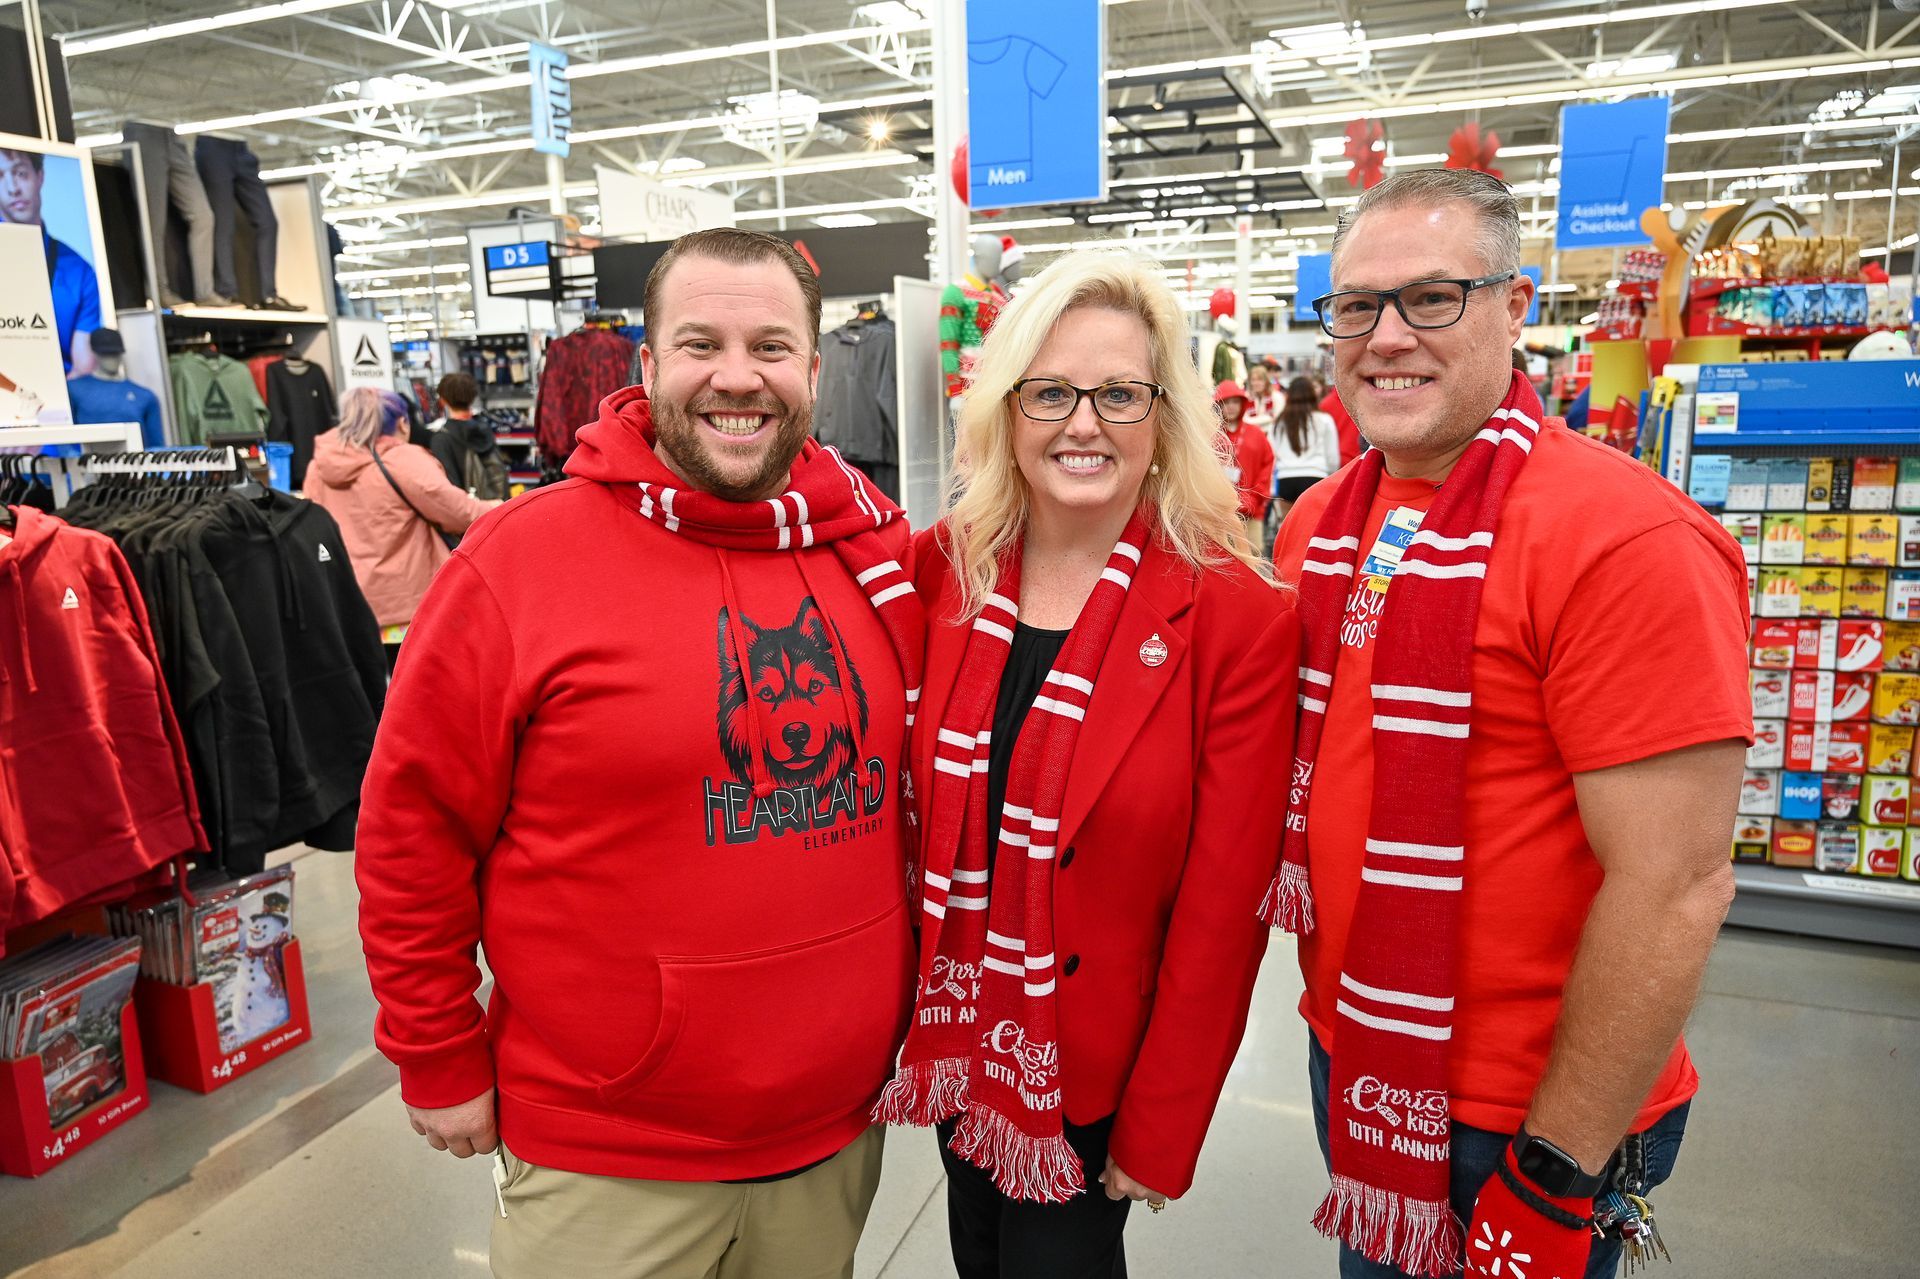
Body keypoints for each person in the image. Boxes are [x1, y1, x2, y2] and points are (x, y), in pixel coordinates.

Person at [355, 227, 924, 1279]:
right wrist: (434, 1050)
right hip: (606, 1151)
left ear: (814, 366)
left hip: (832, 1135)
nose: (738, 378)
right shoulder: (523, 560)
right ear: (650, 366)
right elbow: (413, 826)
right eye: (702, 344)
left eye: (771, 346)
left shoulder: (877, 553)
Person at [1267, 168, 1750, 1279]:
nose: (1386, 337)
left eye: (1432, 297)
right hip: (1361, 1052)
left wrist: (1559, 1166)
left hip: (1520, 1111)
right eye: (1355, 307)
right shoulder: (1324, 530)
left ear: (1515, 304)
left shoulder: (1627, 543)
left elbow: (1676, 884)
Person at [875, 250, 1299, 1279]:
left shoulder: (1235, 617)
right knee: (978, 1255)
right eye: (1052, 391)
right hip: (958, 1034)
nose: (1083, 423)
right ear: (1005, 412)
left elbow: (1223, 903)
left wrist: (1165, 1121)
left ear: (1162, 418)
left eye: (1119, 394)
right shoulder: (939, 572)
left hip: (1096, 1074)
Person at [302, 388, 498, 662]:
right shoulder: (404, 460)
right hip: (406, 606)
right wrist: (496, 507)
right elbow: (459, 513)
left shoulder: (319, 467)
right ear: (403, 423)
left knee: (372, 694)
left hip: (349, 605)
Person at [1, 147, 101, 376]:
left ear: (40, 176)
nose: (12, 189)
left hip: (58, 397)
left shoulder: (79, 270)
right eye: (0, 177)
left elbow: (83, 363)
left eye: (20, 174)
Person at [423, 372, 510, 505]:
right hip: (497, 506)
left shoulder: (441, 439)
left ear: (443, 400)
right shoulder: (484, 428)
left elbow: (450, 490)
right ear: (473, 397)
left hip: (468, 516)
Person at [1269, 376, 1341, 525]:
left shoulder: (1279, 422)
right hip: (1315, 476)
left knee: (1288, 527)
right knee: (1313, 527)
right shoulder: (1324, 420)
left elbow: (1272, 453)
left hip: (1286, 478)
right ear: (1312, 394)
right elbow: (1333, 458)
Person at [1213, 379, 1274, 548]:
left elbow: (1267, 466)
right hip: (1219, 514)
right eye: (1225, 402)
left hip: (1252, 513)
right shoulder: (1210, 436)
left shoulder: (1255, 434)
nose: (1231, 407)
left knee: (1253, 562)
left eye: (1235, 402)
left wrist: (1255, 498)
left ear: (1242, 404)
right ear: (1218, 405)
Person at [1242, 363, 1282, 435]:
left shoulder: (1276, 396)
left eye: (1260, 380)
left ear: (1266, 381)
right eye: (1253, 380)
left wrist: (1251, 421)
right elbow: (1244, 420)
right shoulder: (1246, 397)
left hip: (1271, 436)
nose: (1256, 383)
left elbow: (1278, 419)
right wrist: (1268, 419)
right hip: (1251, 435)